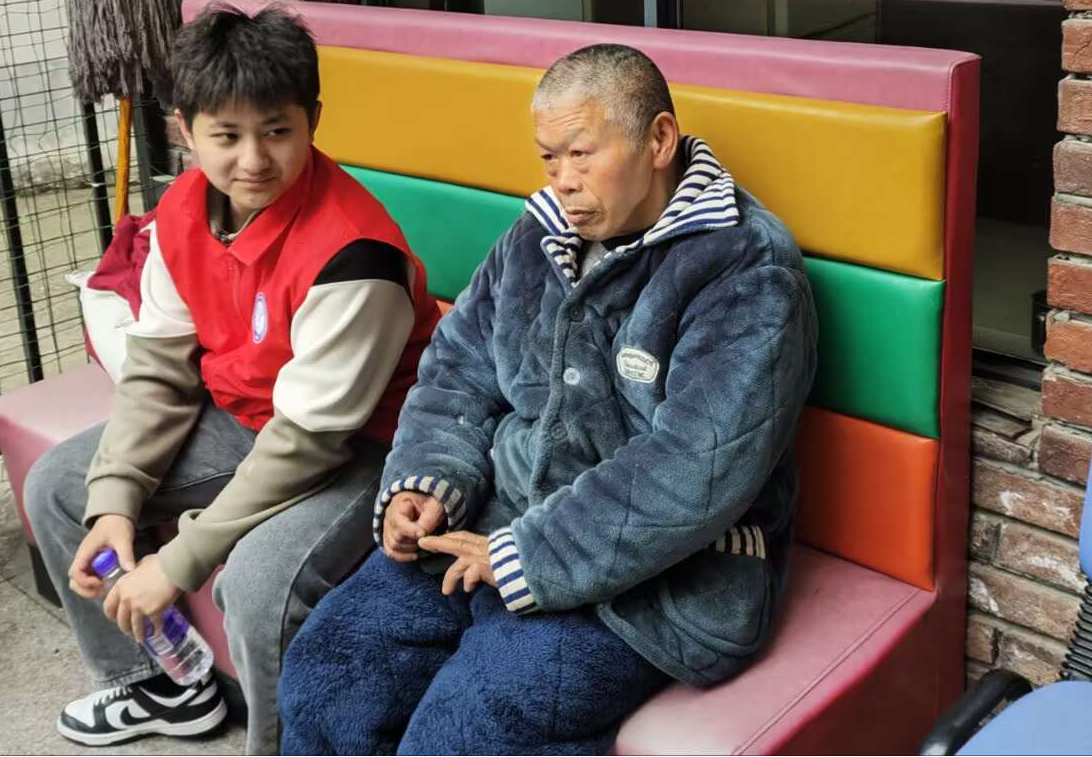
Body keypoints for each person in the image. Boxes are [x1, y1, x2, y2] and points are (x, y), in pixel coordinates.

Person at [278, 43, 819, 756]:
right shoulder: (537, 235)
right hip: (486, 525)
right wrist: (425, 480)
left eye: (581, 154)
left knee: (463, 734)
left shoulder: (746, 268)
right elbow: (456, 372)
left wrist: (528, 556)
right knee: (327, 671)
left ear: (659, 140)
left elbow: (694, 469)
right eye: (548, 158)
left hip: (655, 582)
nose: (562, 180)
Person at [23, 6, 441, 753]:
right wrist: (115, 499)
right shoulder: (182, 208)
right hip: (249, 417)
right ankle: (160, 685)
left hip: (365, 446)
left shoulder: (355, 255)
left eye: (277, 131)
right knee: (62, 486)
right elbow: (159, 369)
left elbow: (308, 442)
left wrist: (177, 560)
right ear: (185, 130)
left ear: (313, 121)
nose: (253, 159)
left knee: (257, 587)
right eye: (227, 135)